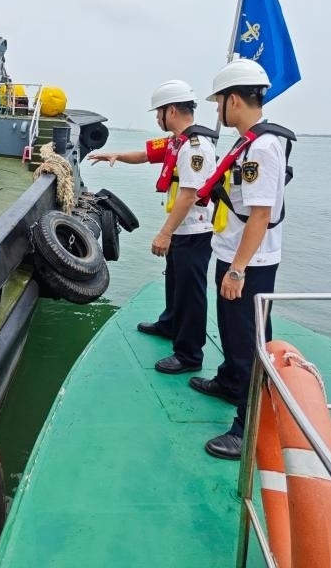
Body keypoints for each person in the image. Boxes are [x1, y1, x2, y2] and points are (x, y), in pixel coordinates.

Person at [189, 59, 289, 461]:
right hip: (233, 253)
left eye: (219, 102)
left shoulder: (260, 148)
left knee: (248, 344)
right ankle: (230, 382)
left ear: (233, 100)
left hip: (250, 263)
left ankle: (248, 429)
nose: (217, 110)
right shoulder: (247, 142)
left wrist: (237, 270)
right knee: (232, 333)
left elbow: (260, 215)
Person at [87, 80, 217, 375]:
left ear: (171, 110)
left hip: (194, 231)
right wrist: (116, 155)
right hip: (182, 229)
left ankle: (189, 355)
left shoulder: (194, 148)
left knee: (191, 292)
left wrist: (164, 233)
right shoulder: (176, 142)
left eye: (159, 112)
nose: (157, 117)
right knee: (175, 281)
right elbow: (145, 155)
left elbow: (189, 195)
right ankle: (170, 323)